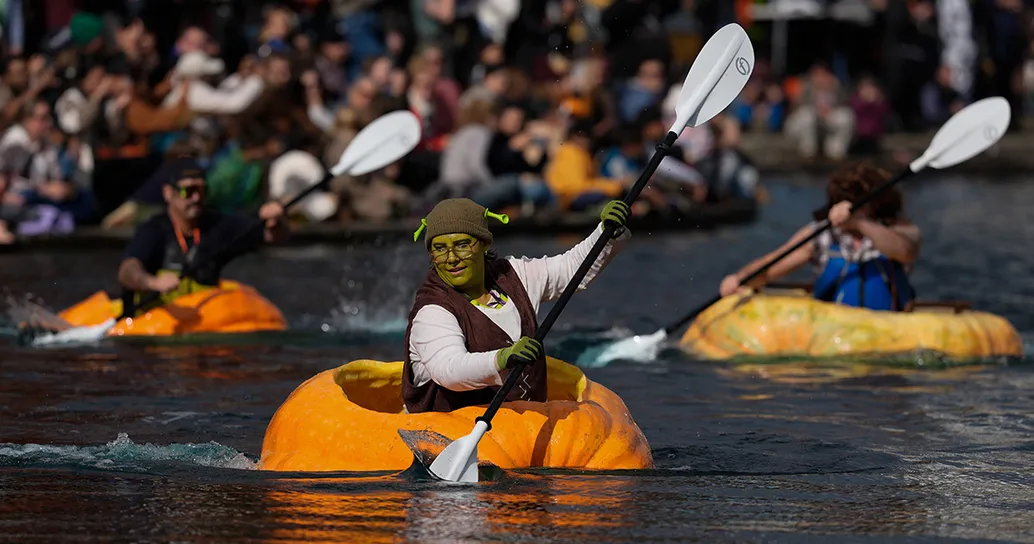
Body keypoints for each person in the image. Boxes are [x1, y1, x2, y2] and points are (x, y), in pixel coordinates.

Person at [403, 197, 631, 413]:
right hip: (449, 432)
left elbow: (571, 270)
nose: (451, 258)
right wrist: (503, 358)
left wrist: (607, 232)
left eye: (462, 245)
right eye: (440, 248)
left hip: (522, 423)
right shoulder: (432, 311)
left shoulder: (515, 274)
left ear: (483, 244)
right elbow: (450, 370)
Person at [718, 163, 919, 311]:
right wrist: (740, 278)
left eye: (862, 200)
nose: (854, 205)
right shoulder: (821, 234)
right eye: (847, 198)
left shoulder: (900, 230)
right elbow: (772, 267)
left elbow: (905, 251)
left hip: (889, 325)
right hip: (832, 328)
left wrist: (858, 222)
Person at [117, 158, 287, 318]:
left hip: (200, 320)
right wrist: (153, 283)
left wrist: (275, 222)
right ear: (168, 193)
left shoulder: (217, 225)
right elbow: (127, 271)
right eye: (188, 191)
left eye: (201, 190)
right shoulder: (152, 230)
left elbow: (270, 236)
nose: (196, 198)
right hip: (154, 320)